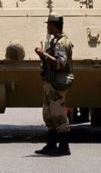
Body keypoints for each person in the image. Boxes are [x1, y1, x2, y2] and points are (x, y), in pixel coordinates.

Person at [34, 13, 74, 157]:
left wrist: (43, 55)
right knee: (49, 114)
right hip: (50, 83)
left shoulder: (62, 42)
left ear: (54, 25)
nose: (47, 27)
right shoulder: (55, 40)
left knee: (59, 114)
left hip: (57, 83)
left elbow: (60, 62)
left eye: (48, 25)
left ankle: (64, 147)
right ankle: (51, 145)